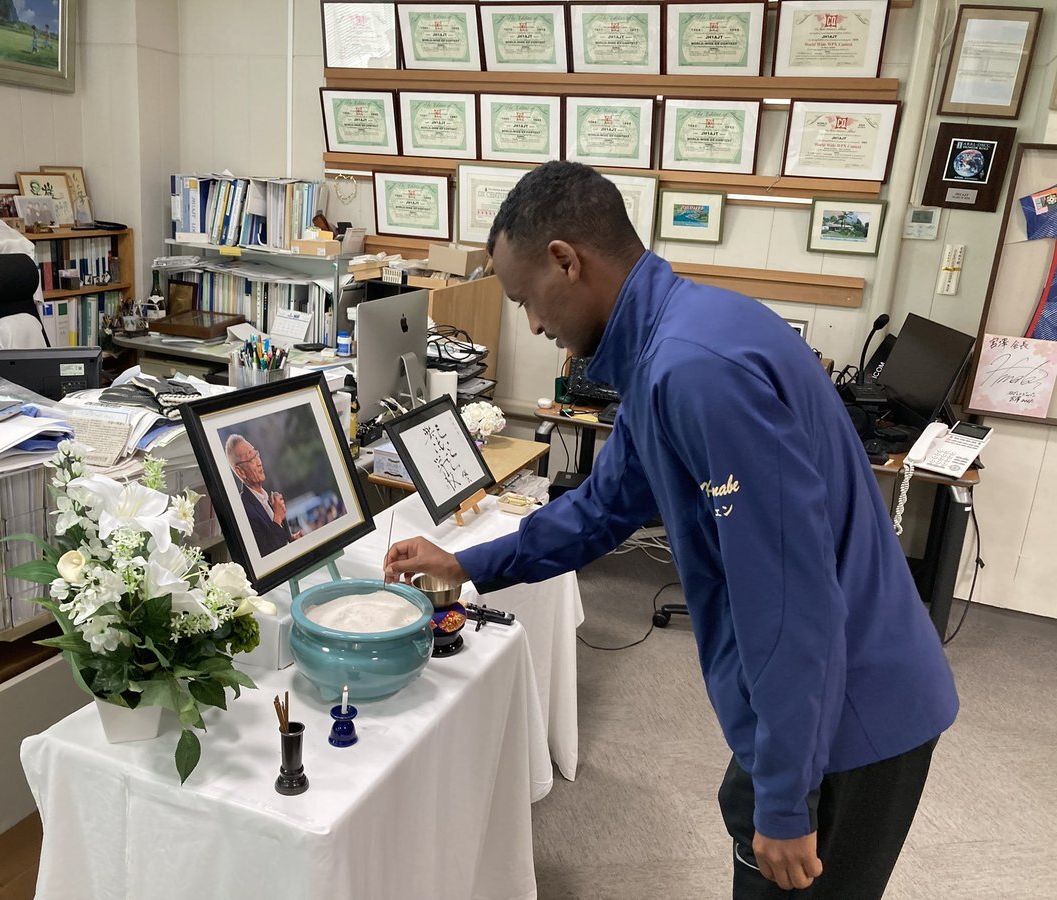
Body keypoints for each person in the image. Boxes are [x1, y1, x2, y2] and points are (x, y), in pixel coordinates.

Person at [384, 161, 959, 899]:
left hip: (852, 712)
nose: (533, 325)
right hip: (813, 699)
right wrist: (467, 564)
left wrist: (786, 800)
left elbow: (787, 597)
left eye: (526, 299)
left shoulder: (696, 372)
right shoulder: (670, 346)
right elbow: (600, 509)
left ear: (566, 259)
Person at [226, 434, 304, 556]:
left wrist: (293, 539)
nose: (259, 462)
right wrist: (277, 517)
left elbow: (281, 540)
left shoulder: (269, 498)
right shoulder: (243, 509)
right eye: (251, 459)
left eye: (256, 454)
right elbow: (267, 553)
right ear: (240, 472)